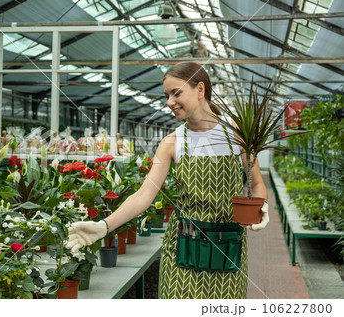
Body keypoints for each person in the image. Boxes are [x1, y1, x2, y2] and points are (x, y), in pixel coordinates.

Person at [66, 62, 269, 299]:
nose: (169, 102)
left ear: (200, 89)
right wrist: (104, 226)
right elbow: (144, 195)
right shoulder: (171, 142)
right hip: (183, 248)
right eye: (166, 95)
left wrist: (259, 206)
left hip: (227, 249)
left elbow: (256, 184)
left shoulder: (236, 134)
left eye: (176, 93)